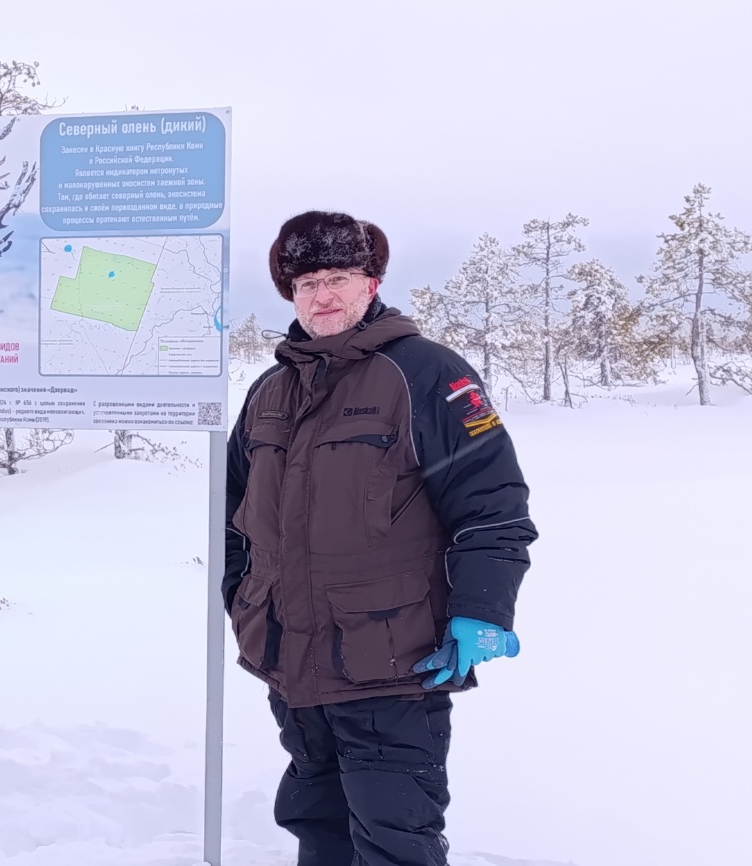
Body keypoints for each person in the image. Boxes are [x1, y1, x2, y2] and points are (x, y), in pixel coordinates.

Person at [224, 211, 538, 866]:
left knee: (395, 838)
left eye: (338, 278)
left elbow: (493, 503)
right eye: (307, 283)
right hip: (291, 664)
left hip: (392, 667)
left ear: (371, 284)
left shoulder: (428, 374)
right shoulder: (270, 392)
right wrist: (244, 601)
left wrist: (481, 608)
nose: (323, 296)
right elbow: (231, 517)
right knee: (318, 825)